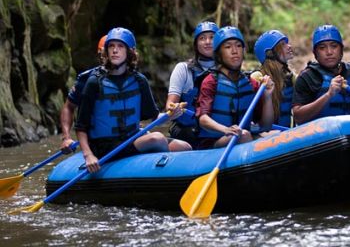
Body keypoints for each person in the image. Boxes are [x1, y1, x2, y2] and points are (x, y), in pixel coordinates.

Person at [75, 27, 191, 173]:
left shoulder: (139, 81)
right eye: (111, 46)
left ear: (129, 52)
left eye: (120, 46)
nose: (115, 50)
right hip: (106, 146)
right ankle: (162, 173)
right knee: (157, 138)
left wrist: (171, 114)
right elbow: (80, 127)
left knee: (185, 147)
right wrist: (88, 155)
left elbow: (154, 118)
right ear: (106, 51)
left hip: (132, 138)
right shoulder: (94, 83)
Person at [195, 26, 276, 149]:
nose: (234, 51)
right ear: (218, 54)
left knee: (276, 135)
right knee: (244, 135)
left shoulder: (251, 83)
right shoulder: (211, 81)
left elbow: (266, 126)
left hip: (243, 136)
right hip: (214, 142)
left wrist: (267, 97)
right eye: (228, 47)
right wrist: (226, 130)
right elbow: (203, 119)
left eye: (238, 46)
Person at [165, 21, 218, 149]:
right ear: (196, 44)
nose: (207, 41)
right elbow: (169, 105)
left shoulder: (227, 71)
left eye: (212, 37)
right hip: (187, 131)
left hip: (217, 129)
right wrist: (174, 109)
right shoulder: (183, 69)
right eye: (202, 38)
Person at [59, 35, 107, 154]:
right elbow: (69, 107)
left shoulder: (133, 78)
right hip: (98, 140)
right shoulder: (87, 79)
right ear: (101, 54)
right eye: (107, 51)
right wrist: (66, 138)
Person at [251, 30, 295, 128]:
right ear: (270, 53)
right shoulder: (257, 78)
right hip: (266, 135)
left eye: (287, 43)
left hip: (288, 134)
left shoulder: (291, 78)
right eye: (283, 45)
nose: (289, 46)